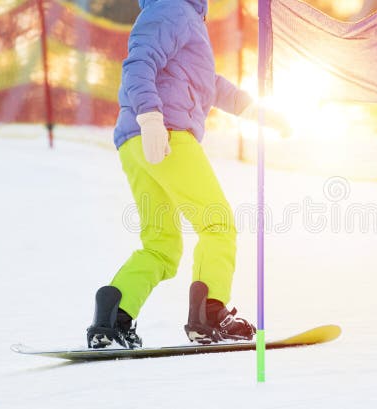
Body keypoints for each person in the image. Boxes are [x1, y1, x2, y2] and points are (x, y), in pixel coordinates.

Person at [86, 0, 289, 349]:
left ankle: (115, 315)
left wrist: (256, 110)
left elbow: (208, 83)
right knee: (217, 224)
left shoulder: (185, 17)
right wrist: (151, 118)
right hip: (165, 135)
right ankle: (209, 314)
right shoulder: (173, 8)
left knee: (161, 246)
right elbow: (138, 62)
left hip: (139, 143)